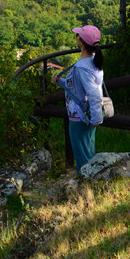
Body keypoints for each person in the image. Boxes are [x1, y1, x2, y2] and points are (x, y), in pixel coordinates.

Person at [52, 25, 104, 172]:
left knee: (83, 158)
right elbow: (79, 87)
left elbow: (94, 94)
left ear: (81, 42)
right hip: (85, 114)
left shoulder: (82, 67)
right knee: (87, 153)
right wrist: (61, 82)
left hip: (80, 117)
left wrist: (96, 119)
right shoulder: (92, 61)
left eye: (78, 36)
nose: (77, 37)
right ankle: (89, 183)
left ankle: (86, 187)